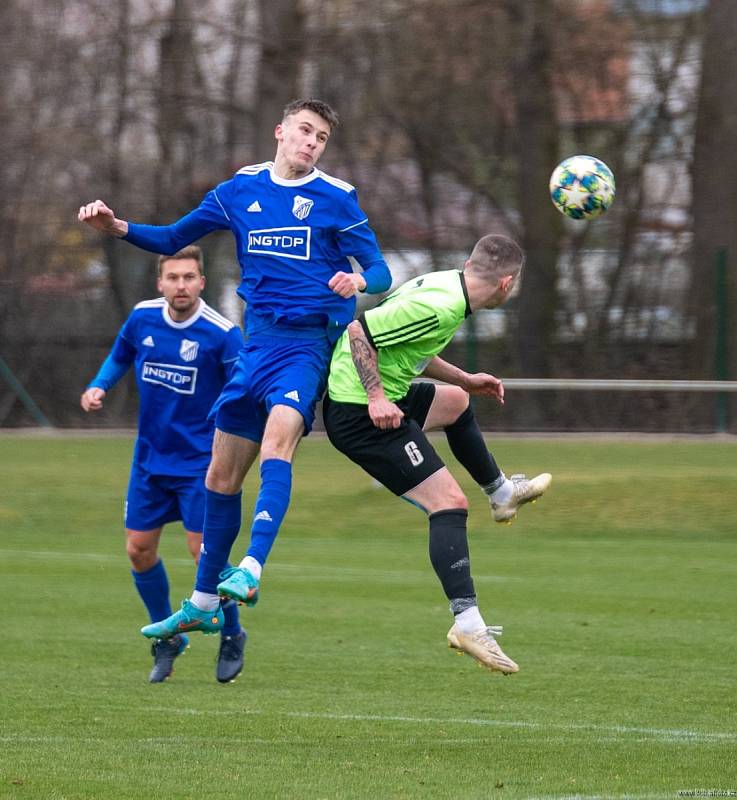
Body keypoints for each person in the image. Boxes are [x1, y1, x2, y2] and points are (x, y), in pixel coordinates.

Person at [78, 99, 392, 645]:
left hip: (305, 347)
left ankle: (252, 565)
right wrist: (120, 226)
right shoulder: (238, 191)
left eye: (321, 137)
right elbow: (174, 236)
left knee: (278, 444)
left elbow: (382, 270)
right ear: (280, 131)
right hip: (257, 345)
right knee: (220, 478)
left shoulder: (337, 198)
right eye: (304, 131)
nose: (312, 143)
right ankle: (202, 602)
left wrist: (359, 283)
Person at [322, 234, 551, 675]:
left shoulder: (449, 285)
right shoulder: (442, 306)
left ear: (470, 263)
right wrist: (375, 398)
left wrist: (464, 379)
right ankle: (467, 624)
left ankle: (502, 493)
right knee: (448, 503)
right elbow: (360, 331)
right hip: (360, 412)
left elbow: (405, 345)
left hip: (386, 393)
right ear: (506, 284)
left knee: (457, 403)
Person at [80, 246, 247, 683]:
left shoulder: (222, 333)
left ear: (202, 283)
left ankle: (232, 633)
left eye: (189, 277)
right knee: (138, 549)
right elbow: (120, 355)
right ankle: (168, 638)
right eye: (173, 277)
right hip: (150, 461)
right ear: (160, 282)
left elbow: (244, 390)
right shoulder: (142, 318)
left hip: (200, 464)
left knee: (203, 556)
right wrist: (98, 386)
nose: (181, 286)